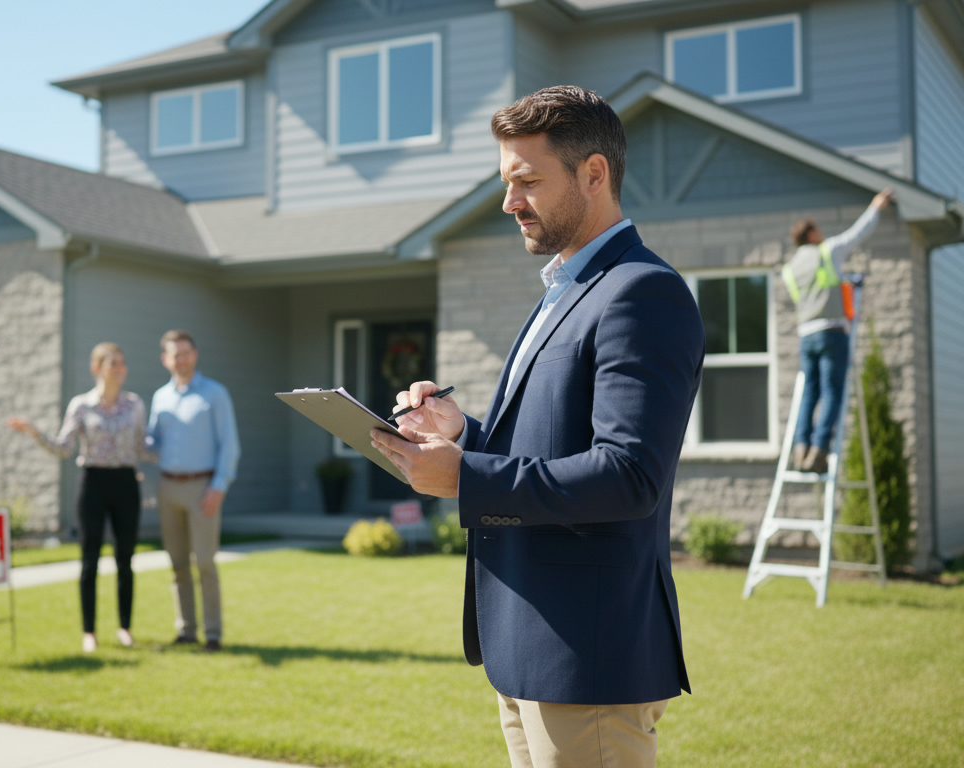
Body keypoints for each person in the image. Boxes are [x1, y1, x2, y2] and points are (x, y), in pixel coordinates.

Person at [370, 86, 704, 768]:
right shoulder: (566, 289)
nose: (508, 202)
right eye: (505, 182)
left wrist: (467, 477)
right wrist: (465, 432)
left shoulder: (642, 291)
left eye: (526, 181)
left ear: (593, 174)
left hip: (588, 659)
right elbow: (551, 444)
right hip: (528, 649)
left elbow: (627, 475)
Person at [7, 342, 151, 653]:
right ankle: (89, 632)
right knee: (90, 561)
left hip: (126, 482)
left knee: (126, 559)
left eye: (123, 363)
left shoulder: (135, 404)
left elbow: (143, 447)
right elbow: (63, 448)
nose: (120, 369)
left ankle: (125, 628)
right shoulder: (81, 406)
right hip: (93, 484)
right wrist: (34, 432)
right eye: (114, 363)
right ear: (97, 368)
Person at [784, 188, 895, 473]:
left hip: (806, 334)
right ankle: (820, 451)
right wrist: (875, 207)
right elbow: (856, 234)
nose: (821, 234)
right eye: (817, 230)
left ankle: (801, 450)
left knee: (810, 392)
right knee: (832, 390)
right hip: (831, 330)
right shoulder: (826, 251)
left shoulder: (790, 268)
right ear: (810, 235)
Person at [147, 330, 240, 653]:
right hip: (168, 487)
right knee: (177, 563)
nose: (181, 359)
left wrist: (218, 487)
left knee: (204, 562)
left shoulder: (214, 394)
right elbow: (153, 443)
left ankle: (212, 635)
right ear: (165, 360)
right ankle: (186, 630)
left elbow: (229, 445)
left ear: (194, 355)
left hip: (203, 488)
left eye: (186, 353)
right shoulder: (160, 398)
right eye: (175, 354)